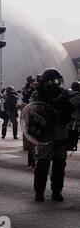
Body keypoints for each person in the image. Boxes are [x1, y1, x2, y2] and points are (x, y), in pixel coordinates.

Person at [31, 68, 74, 202]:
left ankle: (56, 191)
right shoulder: (39, 96)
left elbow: (75, 102)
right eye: (50, 82)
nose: (54, 84)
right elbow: (34, 111)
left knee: (59, 166)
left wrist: (65, 104)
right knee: (43, 166)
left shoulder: (64, 95)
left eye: (55, 81)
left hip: (61, 134)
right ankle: (39, 192)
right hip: (46, 136)